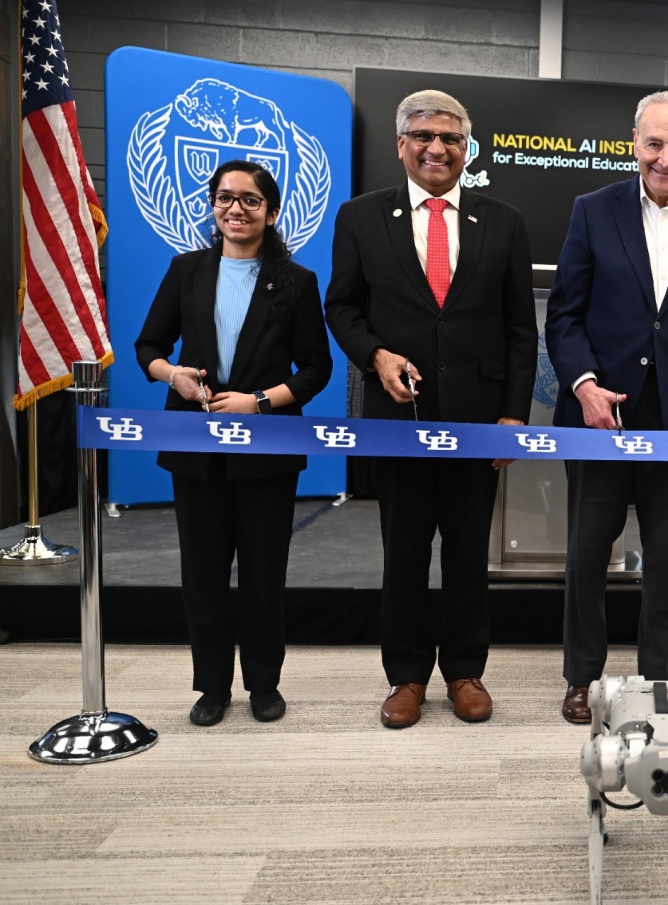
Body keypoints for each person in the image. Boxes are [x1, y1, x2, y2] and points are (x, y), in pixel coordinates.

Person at [325, 90, 536, 729]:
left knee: (469, 552)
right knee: (406, 551)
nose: (436, 147)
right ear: (401, 144)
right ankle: (407, 676)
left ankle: (467, 672)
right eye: (423, 135)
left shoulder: (504, 221)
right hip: (399, 418)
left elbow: (521, 329)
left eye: (449, 137)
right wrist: (375, 355)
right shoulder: (360, 217)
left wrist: (513, 417)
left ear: (468, 148)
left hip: (479, 419)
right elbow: (343, 308)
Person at [546, 90, 668, 724]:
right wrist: (582, 385)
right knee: (586, 555)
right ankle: (582, 678)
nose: (666, 158)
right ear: (634, 143)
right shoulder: (591, 211)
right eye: (655, 144)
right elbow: (565, 316)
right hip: (599, 416)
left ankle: (660, 679)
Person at [135, 160, 333, 726]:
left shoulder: (297, 282)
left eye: (250, 200)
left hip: (266, 445)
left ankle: (264, 684)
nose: (235, 209)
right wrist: (170, 374)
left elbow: (316, 368)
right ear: (213, 206)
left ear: (270, 213)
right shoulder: (186, 270)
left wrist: (262, 401)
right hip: (194, 444)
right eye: (225, 198)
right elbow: (148, 345)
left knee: (265, 571)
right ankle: (212, 687)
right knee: (202, 571)